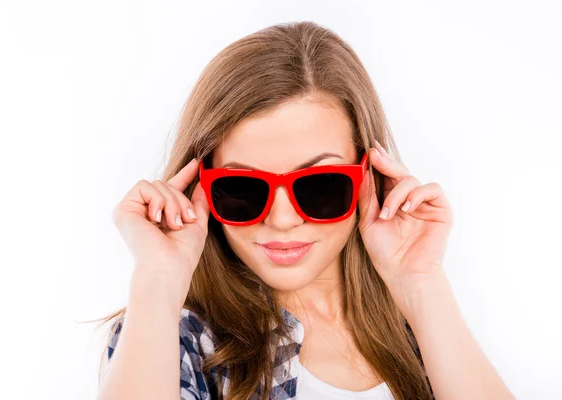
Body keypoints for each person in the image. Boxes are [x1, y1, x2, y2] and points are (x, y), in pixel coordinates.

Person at [95, 21, 514, 400]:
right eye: (242, 188)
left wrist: (422, 285)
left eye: (319, 186)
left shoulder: (417, 327)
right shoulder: (175, 337)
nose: (281, 219)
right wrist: (157, 277)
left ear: (368, 175)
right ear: (200, 188)